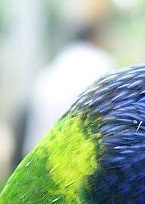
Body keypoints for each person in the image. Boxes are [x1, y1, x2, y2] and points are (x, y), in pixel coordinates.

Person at [12, 23, 114, 166]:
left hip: (36, 153)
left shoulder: (59, 61)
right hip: (74, 159)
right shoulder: (101, 61)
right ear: (94, 38)